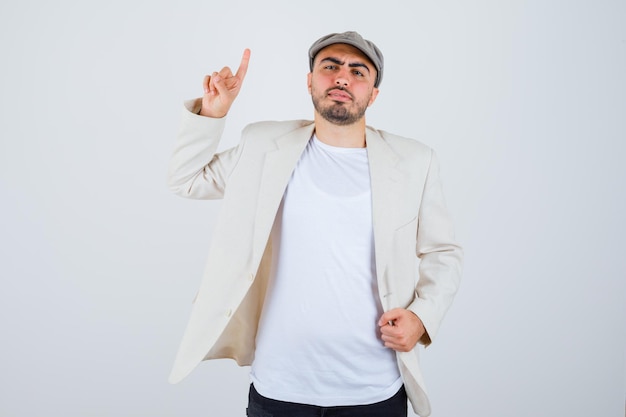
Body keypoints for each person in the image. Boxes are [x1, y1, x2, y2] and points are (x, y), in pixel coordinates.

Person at [167, 31, 462, 417]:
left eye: (358, 71)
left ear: (373, 95)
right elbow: (186, 180)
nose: (342, 77)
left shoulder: (413, 161)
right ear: (309, 81)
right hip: (279, 388)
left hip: (373, 392)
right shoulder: (263, 145)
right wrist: (213, 112)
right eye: (330, 66)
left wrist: (421, 317)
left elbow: (444, 253)